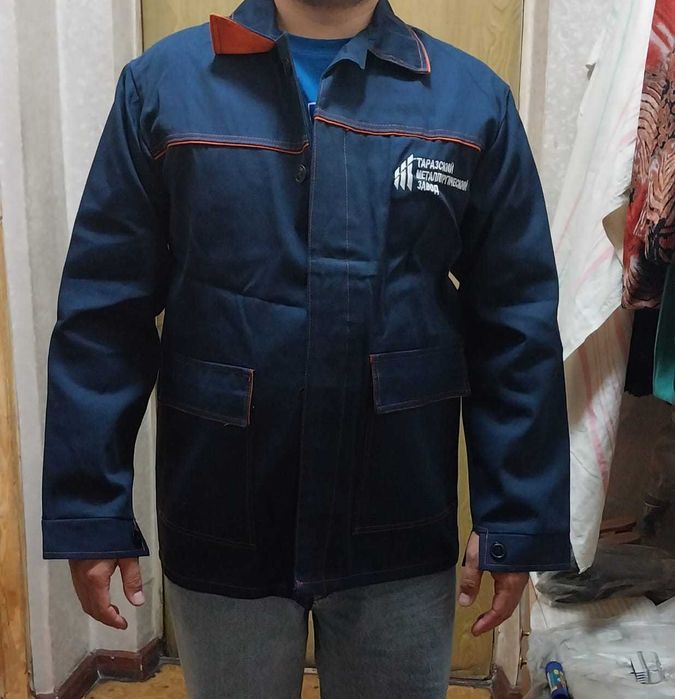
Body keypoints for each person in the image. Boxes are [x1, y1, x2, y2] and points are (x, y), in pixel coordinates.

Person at [41, 0, 572, 696]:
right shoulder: (164, 88)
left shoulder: (471, 103)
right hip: (222, 512)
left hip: (397, 518)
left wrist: (518, 515)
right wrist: (90, 511)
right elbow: (103, 314)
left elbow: (514, 323)